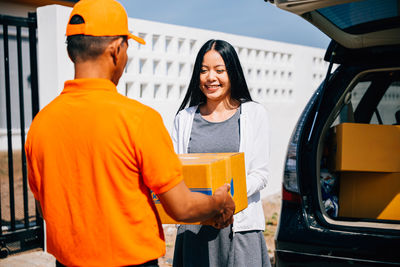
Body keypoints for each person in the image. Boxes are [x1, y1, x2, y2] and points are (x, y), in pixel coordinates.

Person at [25, 1, 235, 266]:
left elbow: (49, 206)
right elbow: (181, 206)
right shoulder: (138, 120)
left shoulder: (41, 125)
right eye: (127, 47)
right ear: (116, 50)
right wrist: (219, 202)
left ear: (71, 53)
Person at [172, 39, 271, 267]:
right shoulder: (184, 119)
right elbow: (176, 173)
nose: (210, 77)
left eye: (219, 70)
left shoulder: (254, 113)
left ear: (232, 73)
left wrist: (225, 202)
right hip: (194, 229)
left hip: (239, 227)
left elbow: (260, 174)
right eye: (204, 70)